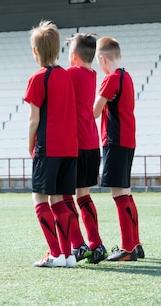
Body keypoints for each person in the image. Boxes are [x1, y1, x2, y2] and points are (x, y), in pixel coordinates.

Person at [24, 20, 78, 268]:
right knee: (60, 201)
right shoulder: (67, 76)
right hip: (70, 148)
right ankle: (67, 256)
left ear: (35, 51)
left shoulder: (37, 78)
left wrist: (30, 144)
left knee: (39, 200)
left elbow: (34, 118)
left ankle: (55, 253)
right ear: (58, 50)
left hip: (49, 147)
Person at [93, 37, 143, 261]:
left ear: (102, 59)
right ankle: (136, 244)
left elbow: (94, 111)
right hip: (128, 139)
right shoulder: (127, 76)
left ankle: (128, 248)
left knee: (119, 193)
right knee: (127, 192)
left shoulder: (110, 79)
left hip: (114, 139)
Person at [65, 33, 109, 264]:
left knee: (64, 196)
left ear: (73, 56)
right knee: (84, 195)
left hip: (75, 145)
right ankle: (96, 243)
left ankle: (78, 244)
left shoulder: (70, 73)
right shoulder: (91, 74)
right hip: (91, 143)